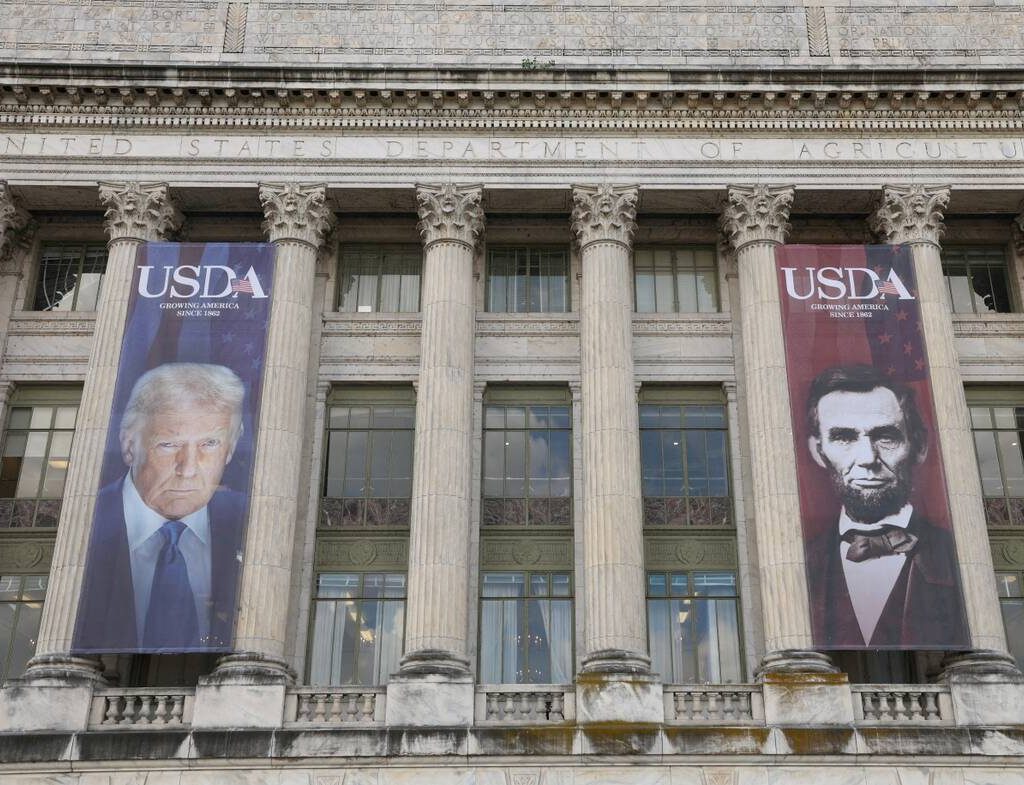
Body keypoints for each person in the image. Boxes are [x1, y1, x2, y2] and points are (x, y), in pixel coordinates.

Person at [73, 363, 247, 653]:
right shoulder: (86, 517)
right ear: (129, 444)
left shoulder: (251, 519)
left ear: (230, 449)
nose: (188, 468)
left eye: (210, 443)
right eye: (168, 444)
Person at [803, 364, 969, 648]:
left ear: (918, 446)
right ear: (818, 452)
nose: (868, 458)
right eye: (844, 437)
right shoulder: (802, 561)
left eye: (886, 436)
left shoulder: (958, 555)